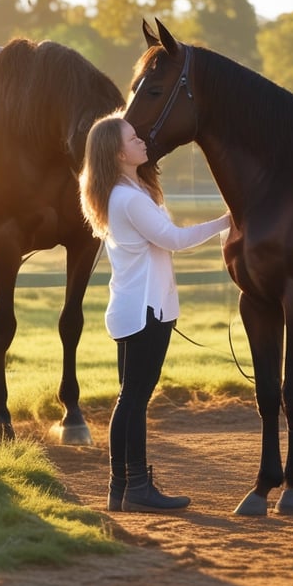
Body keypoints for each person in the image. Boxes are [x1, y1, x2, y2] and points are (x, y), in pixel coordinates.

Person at [79, 113, 231, 513]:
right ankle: (137, 487)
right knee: (133, 399)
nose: (142, 140)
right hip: (145, 309)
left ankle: (123, 487)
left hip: (136, 306)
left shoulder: (127, 192)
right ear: (117, 151)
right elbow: (174, 240)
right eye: (133, 138)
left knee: (130, 398)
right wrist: (227, 220)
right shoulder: (128, 198)